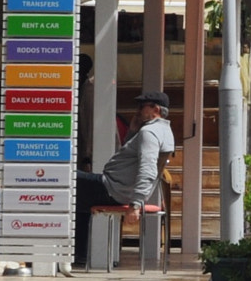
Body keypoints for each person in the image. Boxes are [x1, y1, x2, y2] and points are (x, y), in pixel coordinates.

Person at [74, 91, 175, 266]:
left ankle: (76, 254)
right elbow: (131, 158)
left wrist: (136, 204)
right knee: (79, 200)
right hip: (120, 188)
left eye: (142, 106)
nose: (137, 110)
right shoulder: (164, 131)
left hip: (113, 189)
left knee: (66, 178)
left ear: (155, 109)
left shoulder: (149, 133)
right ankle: (80, 256)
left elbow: (148, 167)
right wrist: (132, 131)